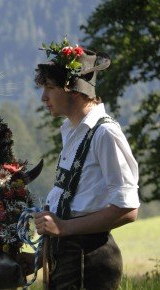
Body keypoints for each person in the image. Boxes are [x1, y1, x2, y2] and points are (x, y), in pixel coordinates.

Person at [33, 40, 140, 289]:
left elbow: (128, 209)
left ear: (72, 88)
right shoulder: (72, 131)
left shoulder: (105, 134)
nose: (43, 97)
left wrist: (64, 227)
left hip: (88, 260)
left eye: (50, 87)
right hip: (67, 256)